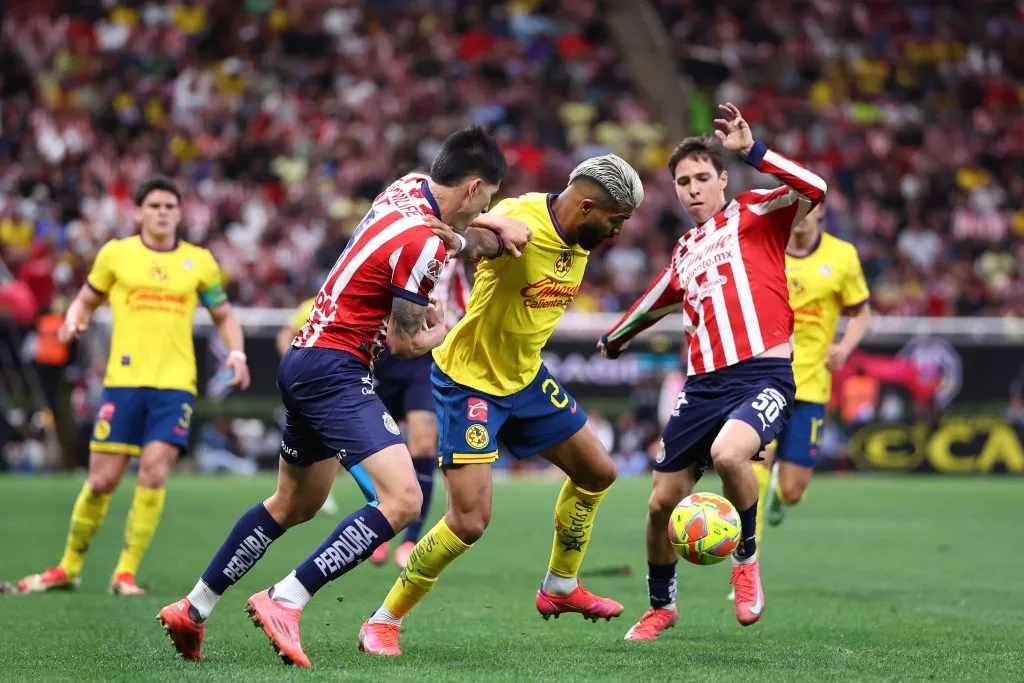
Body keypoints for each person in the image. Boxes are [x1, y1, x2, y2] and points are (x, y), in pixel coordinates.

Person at [156, 126, 528, 667]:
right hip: (337, 368)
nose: (485, 210)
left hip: (303, 358)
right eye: (487, 199)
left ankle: (194, 606)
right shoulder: (423, 245)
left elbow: (456, 231)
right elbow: (404, 344)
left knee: (294, 503)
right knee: (403, 501)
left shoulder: (405, 188)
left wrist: (489, 223)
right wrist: (443, 330)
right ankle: (287, 597)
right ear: (473, 188)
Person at [358, 153, 645, 657]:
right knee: (468, 521)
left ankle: (559, 587)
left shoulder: (576, 232)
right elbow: (485, 241)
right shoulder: (522, 219)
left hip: (526, 379)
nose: (617, 231)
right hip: (470, 383)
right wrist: (468, 238)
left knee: (598, 472)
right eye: (614, 220)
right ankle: (383, 621)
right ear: (585, 207)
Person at [599, 103, 827, 639]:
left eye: (703, 177)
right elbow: (656, 300)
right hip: (703, 386)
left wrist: (755, 152)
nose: (693, 188)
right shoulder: (683, 250)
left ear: (723, 180)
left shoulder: (756, 212)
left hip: (763, 375)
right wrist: (614, 338)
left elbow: (814, 188)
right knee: (659, 504)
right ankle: (661, 607)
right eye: (683, 181)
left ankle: (745, 561)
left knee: (730, 454)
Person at [17, 177, 251, 596]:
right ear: (139, 212)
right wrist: (74, 319)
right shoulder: (116, 254)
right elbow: (87, 298)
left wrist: (237, 354)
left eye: (169, 206)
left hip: (176, 384)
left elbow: (224, 315)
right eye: (154, 205)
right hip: (123, 382)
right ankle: (69, 567)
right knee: (102, 480)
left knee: (155, 470)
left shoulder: (199, 261)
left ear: (179, 213)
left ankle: (124, 572)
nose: (162, 212)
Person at [276, 259, 471, 565]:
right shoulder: (396, 240)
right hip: (382, 352)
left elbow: (464, 307)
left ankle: (410, 539)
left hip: (424, 358)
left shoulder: (452, 256)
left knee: (422, 440)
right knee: (372, 444)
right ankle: (380, 521)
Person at [758, 201, 871, 530]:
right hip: (764, 380)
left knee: (793, 490)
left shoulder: (842, 255)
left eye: (810, 206)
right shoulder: (766, 249)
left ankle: (782, 493)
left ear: (822, 211)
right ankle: (746, 571)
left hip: (811, 384)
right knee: (755, 471)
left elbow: (861, 311)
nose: (802, 214)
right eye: (796, 206)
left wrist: (845, 347)